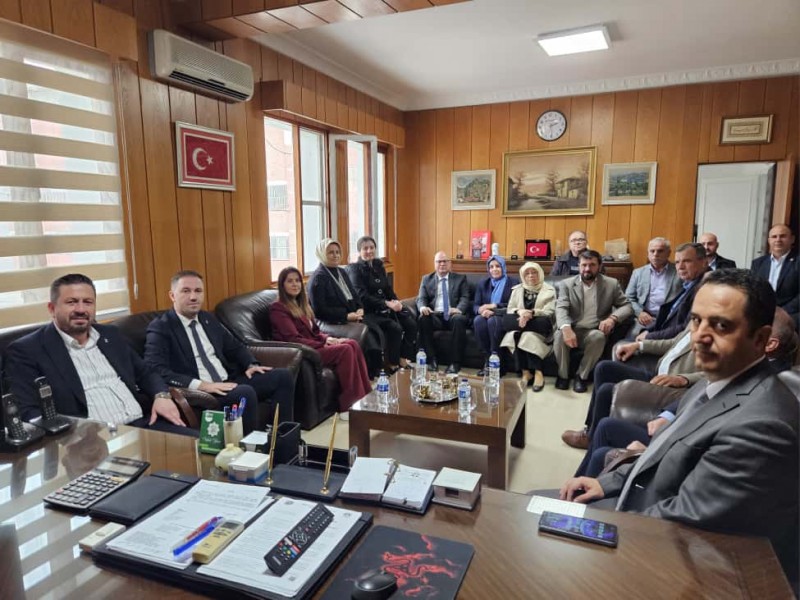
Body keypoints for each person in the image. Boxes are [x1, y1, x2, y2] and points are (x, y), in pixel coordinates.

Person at [560, 269, 798, 583]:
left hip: (685, 565)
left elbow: (684, 523)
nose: (700, 336)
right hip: (643, 515)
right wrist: (608, 482)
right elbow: (664, 449)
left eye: (721, 325)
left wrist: (601, 530)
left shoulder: (762, 426)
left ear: (760, 339)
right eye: (696, 320)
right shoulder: (717, 378)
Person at [575, 307, 798, 478]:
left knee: (603, 449)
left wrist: (655, 451)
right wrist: (668, 415)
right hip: (675, 431)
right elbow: (700, 393)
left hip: (682, 453)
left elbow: (717, 456)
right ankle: (573, 499)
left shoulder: (770, 396)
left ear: (768, 343)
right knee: (605, 428)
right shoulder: (742, 365)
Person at [5, 274, 191, 436]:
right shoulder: (27, 350)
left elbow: (146, 372)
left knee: (202, 449)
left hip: (145, 426)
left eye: (88, 302)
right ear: (52, 309)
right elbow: (27, 412)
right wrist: (69, 435)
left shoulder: (111, 335)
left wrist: (161, 395)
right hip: (86, 441)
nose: (81, 309)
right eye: (71, 302)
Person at [145, 270, 295, 434]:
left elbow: (235, 346)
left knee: (282, 376)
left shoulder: (207, 318)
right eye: (186, 291)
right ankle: (248, 447)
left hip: (228, 380)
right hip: (201, 392)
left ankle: (282, 436)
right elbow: (155, 368)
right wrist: (202, 386)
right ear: (172, 295)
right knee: (244, 392)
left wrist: (250, 364)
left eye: (198, 291)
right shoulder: (161, 327)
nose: (193, 297)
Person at [561, 325, 702, 449]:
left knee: (606, 391)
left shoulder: (712, 335)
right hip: (657, 376)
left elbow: (715, 376)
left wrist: (684, 379)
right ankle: (590, 430)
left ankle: (592, 437)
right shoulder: (696, 320)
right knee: (604, 368)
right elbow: (672, 343)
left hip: (671, 388)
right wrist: (639, 345)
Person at [270, 267, 372, 418]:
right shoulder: (278, 308)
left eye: (297, 281)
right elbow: (293, 339)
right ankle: (348, 406)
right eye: (290, 281)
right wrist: (322, 344)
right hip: (303, 351)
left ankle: (366, 397)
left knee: (352, 343)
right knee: (345, 350)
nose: (295, 284)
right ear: (282, 285)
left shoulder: (302, 305)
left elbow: (315, 332)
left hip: (314, 345)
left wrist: (328, 339)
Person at [553, 250, 633, 392]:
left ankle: (581, 376)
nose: (587, 269)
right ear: (578, 265)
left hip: (593, 330)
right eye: (584, 265)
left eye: (592, 265)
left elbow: (627, 306)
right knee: (559, 335)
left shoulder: (611, 284)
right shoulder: (566, 284)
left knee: (598, 337)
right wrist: (566, 328)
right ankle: (562, 376)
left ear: (599, 266)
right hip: (573, 327)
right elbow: (561, 307)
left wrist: (612, 318)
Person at [308, 238, 383, 378]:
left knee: (376, 331)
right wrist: (346, 316)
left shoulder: (341, 272)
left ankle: (376, 373)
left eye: (337, 252)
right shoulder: (318, 278)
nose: (335, 255)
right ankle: (370, 375)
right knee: (368, 337)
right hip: (332, 321)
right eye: (331, 252)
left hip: (353, 315)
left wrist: (360, 308)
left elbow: (355, 295)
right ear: (322, 254)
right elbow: (319, 311)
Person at [346, 235, 417, 372]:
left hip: (386, 307)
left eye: (371, 247)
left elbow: (387, 289)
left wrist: (397, 302)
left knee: (411, 324)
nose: (369, 251)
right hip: (368, 311)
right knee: (395, 328)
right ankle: (393, 364)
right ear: (359, 251)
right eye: (365, 248)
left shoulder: (378, 265)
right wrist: (386, 304)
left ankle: (403, 358)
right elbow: (362, 296)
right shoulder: (355, 269)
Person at [499, 262, 556, 391]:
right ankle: (526, 373)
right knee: (517, 334)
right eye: (527, 273)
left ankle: (538, 373)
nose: (531, 276)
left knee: (526, 334)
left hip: (539, 326)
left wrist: (532, 313)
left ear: (540, 273)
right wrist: (520, 312)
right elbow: (510, 308)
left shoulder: (549, 290)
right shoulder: (517, 289)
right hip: (521, 324)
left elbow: (550, 311)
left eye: (534, 272)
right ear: (522, 276)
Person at [636, 242, 707, 342]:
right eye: (677, 262)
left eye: (687, 261)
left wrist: (649, 337)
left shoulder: (705, 289)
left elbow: (685, 328)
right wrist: (648, 331)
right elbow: (668, 315)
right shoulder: (688, 283)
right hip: (659, 331)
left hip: (671, 342)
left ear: (703, 262)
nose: (680, 267)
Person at [416, 251, 471, 374]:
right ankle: (432, 360)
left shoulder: (460, 279)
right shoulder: (426, 279)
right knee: (423, 318)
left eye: (445, 261)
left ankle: (455, 363)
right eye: (439, 261)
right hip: (435, 315)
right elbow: (421, 298)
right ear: (434, 264)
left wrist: (458, 309)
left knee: (459, 319)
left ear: (450, 263)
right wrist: (423, 307)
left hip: (453, 315)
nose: (442, 264)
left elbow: (465, 297)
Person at [624, 237, 682, 336]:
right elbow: (628, 298)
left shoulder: (679, 272)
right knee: (632, 336)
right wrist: (640, 313)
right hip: (645, 318)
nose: (655, 254)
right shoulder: (638, 273)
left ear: (668, 253)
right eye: (652, 251)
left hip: (669, 319)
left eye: (660, 251)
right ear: (648, 253)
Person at [472, 255, 516, 375]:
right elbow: (475, 305)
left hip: (504, 316)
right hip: (486, 315)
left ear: (503, 267)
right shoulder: (483, 283)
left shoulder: (513, 283)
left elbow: (512, 305)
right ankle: (488, 360)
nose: (494, 269)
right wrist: (480, 310)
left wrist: (494, 306)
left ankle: (498, 363)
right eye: (491, 267)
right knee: (478, 320)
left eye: (497, 266)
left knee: (493, 321)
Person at [750, 223, 798, 328]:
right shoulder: (758, 263)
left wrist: (782, 312)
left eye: (783, 236)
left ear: (792, 239)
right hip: (763, 313)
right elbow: (753, 290)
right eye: (774, 237)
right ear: (769, 240)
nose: (778, 240)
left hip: (792, 314)